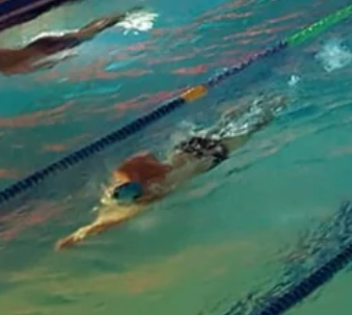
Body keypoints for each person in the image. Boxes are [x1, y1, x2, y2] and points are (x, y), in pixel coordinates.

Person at [57, 94, 285, 249]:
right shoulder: (139, 187)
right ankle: (268, 102)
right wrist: (81, 234)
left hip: (204, 157)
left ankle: (273, 104)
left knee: (244, 127)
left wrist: (80, 234)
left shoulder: (140, 184)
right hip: (193, 151)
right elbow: (107, 221)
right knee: (235, 126)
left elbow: (111, 219)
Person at [0, 13, 129, 81]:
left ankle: (119, 17)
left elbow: (45, 64)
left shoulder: (11, 68)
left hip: (45, 47)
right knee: (86, 33)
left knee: (86, 33)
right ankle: (118, 17)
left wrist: (63, 58)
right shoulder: (3, 64)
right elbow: (44, 64)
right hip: (40, 45)